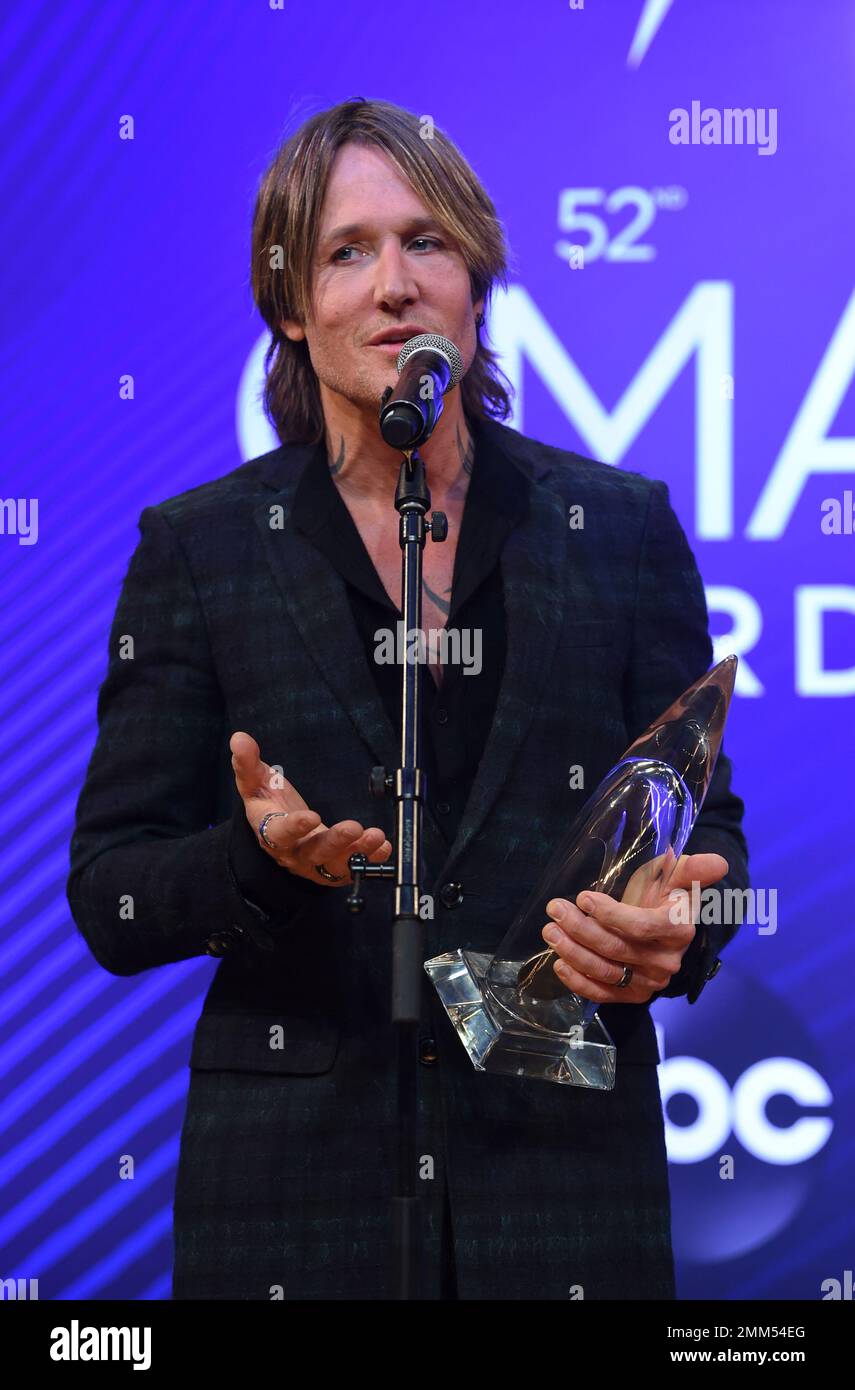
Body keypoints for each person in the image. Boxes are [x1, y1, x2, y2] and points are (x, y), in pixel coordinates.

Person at [67, 98, 749, 1301]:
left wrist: (679, 930)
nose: (394, 284)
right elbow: (113, 893)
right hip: (292, 1207)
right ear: (292, 306)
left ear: (476, 285)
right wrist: (258, 862)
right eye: (347, 250)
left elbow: (714, 837)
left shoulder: (620, 530)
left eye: (426, 243)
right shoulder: (201, 551)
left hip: (564, 1200)